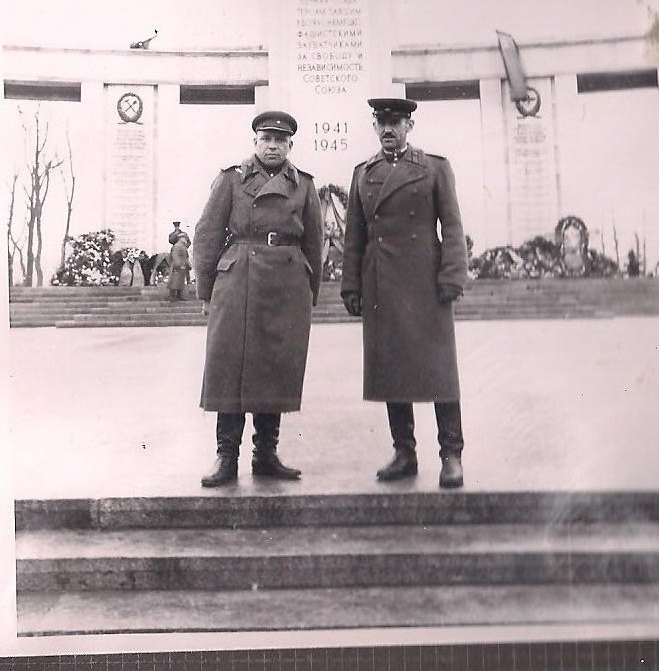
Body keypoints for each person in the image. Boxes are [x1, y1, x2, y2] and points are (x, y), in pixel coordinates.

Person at [341, 97, 468, 489]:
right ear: (374, 126)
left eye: (395, 122)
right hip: (382, 284)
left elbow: (452, 225)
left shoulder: (434, 168)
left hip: (426, 284)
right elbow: (354, 236)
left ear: (409, 126)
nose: (388, 129)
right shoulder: (363, 173)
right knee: (392, 371)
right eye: (381, 122)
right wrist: (351, 284)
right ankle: (404, 452)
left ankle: (451, 455)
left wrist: (452, 275)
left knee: (440, 371)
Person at [193, 110, 324, 488]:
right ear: (255, 142)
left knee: (275, 366)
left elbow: (314, 241)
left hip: (287, 283)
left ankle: (266, 454)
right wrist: (206, 291)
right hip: (238, 280)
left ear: (290, 145)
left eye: (280, 140)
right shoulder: (231, 179)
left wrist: (309, 291)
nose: (273, 146)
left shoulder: (303, 185)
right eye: (266, 139)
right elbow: (206, 235)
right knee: (229, 366)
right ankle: (226, 456)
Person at [167, 233, 191, 300]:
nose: (185, 239)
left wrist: (188, 264)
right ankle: (172, 296)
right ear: (180, 238)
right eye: (184, 238)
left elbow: (186, 257)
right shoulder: (177, 246)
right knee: (174, 281)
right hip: (177, 266)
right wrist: (178, 264)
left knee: (180, 281)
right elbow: (175, 256)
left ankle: (179, 295)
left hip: (182, 266)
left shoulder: (183, 246)